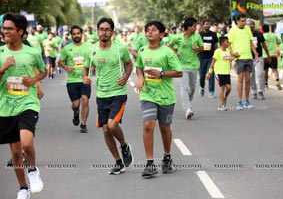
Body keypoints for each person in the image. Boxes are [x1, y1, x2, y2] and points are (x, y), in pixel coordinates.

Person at [0, 13, 47, 199]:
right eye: (3, 28)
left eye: (9, 28)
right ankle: (23, 188)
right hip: (6, 106)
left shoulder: (33, 53)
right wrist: (3, 68)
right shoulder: (1, 53)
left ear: (20, 31)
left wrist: (34, 80)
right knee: (16, 153)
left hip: (28, 103)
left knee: (27, 143)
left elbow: (43, 72)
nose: (4, 31)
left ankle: (33, 171)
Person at [83, 17, 133, 175]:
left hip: (118, 93)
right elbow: (85, 68)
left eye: (107, 29)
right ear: (97, 31)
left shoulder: (120, 48)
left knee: (112, 125)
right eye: (101, 29)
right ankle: (118, 162)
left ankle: (124, 146)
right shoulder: (91, 50)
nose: (104, 32)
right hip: (101, 94)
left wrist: (125, 77)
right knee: (105, 130)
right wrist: (85, 77)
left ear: (112, 32)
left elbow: (129, 64)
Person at [135, 20, 183, 178]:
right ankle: (150, 164)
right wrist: (141, 78)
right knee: (148, 125)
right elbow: (139, 66)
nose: (149, 32)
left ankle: (167, 158)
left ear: (161, 34)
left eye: (153, 30)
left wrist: (161, 73)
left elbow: (179, 72)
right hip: (148, 94)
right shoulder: (142, 50)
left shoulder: (167, 52)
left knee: (165, 128)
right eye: (148, 30)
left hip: (166, 97)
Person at [58, 25, 92, 133]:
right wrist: (66, 67)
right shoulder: (67, 48)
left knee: (85, 100)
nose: (76, 35)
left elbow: (93, 60)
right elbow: (60, 61)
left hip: (85, 79)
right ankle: (76, 112)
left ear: (82, 34)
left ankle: (83, 123)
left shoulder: (88, 47)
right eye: (74, 34)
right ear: (72, 35)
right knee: (76, 104)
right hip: (72, 80)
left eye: (78, 33)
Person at [169, 17, 203, 119]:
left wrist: (196, 48)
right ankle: (187, 109)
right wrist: (175, 53)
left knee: (192, 88)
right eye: (194, 26)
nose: (196, 27)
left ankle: (188, 102)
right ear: (188, 27)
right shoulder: (178, 37)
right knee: (184, 88)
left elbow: (202, 48)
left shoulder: (197, 37)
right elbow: (169, 45)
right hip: (182, 66)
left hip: (194, 66)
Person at [228, 13, 258, 110]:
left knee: (248, 80)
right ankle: (239, 102)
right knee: (240, 80)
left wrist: (256, 53)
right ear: (237, 21)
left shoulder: (247, 29)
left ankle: (247, 101)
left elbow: (251, 43)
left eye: (245, 21)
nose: (244, 23)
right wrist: (233, 54)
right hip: (239, 58)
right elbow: (229, 44)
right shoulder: (232, 30)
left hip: (248, 57)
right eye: (242, 21)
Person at [206, 36, 233, 110]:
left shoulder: (228, 51)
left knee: (229, 88)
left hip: (227, 72)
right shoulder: (217, 51)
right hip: (219, 72)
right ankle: (221, 105)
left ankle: (225, 97)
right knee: (222, 87)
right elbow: (213, 62)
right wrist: (209, 73)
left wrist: (233, 57)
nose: (228, 43)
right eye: (227, 42)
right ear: (222, 43)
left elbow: (230, 59)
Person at [246, 19, 271, 100]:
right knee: (251, 76)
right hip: (249, 57)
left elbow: (264, 45)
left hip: (259, 57)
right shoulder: (244, 34)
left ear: (254, 25)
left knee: (260, 74)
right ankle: (253, 92)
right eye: (248, 24)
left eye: (251, 24)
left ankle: (260, 91)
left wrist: (268, 55)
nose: (250, 26)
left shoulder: (259, 34)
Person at [198, 19, 219, 98]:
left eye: (209, 24)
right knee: (202, 75)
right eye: (206, 24)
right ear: (203, 25)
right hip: (202, 57)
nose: (208, 25)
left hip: (211, 57)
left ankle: (211, 92)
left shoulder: (213, 34)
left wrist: (218, 55)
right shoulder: (199, 35)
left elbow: (216, 46)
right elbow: (196, 46)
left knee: (211, 74)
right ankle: (202, 87)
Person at [262, 24, 282, 90]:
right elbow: (279, 42)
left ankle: (266, 85)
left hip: (265, 55)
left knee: (265, 70)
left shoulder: (262, 36)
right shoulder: (274, 35)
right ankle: (277, 81)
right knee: (274, 69)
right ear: (269, 29)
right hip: (273, 55)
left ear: (262, 30)